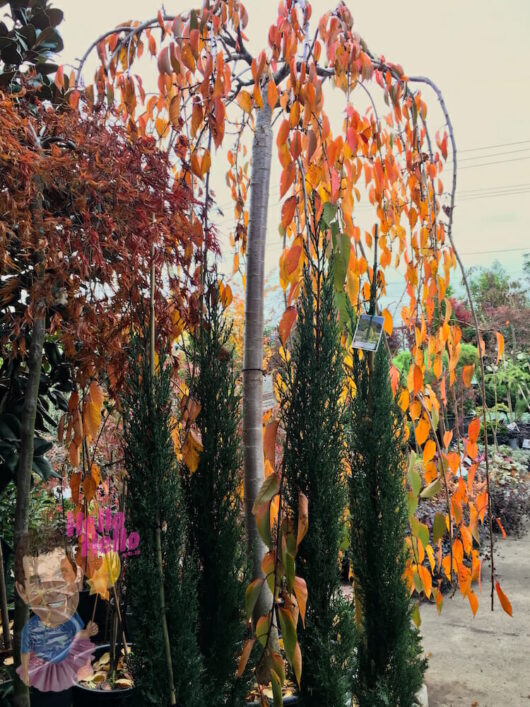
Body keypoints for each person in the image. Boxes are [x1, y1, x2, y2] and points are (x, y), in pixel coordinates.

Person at [15, 527, 97, 704]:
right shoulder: (34, 626)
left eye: (61, 574)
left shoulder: (72, 615)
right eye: (38, 581)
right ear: (23, 591)